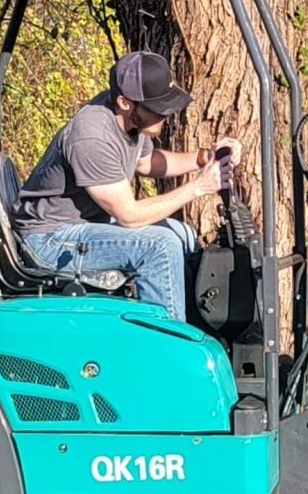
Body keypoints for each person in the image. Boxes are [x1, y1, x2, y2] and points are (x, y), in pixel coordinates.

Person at [12, 50, 241, 320]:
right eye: (158, 109)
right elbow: (129, 216)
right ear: (124, 102)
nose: (165, 115)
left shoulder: (129, 121)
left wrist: (204, 157)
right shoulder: (92, 137)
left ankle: (196, 329)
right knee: (159, 246)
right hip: (49, 240)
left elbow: (145, 163)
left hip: (79, 227)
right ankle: (168, 352)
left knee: (182, 234)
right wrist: (198, 187)